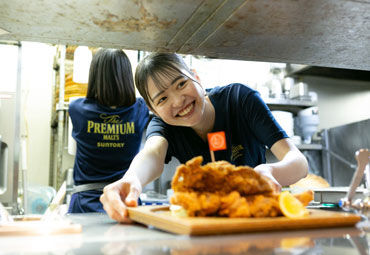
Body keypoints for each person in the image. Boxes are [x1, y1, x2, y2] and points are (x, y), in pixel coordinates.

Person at [100, 53, 308, 222]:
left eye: (181, 84)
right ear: (152, 109)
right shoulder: (165, 125)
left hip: (256, 219)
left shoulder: (240, 99)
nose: (178, 101)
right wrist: (131, 178)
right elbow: (152, 154)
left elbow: (298, 162)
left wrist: (268, 172)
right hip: (207, 224)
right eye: (162, 98)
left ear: (196, 77)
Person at [68, 49, 150, 213]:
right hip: (126, 201)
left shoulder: (77, 108)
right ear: (127, 76)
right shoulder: (141, 109)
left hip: (86, 202)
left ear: (95, 76)